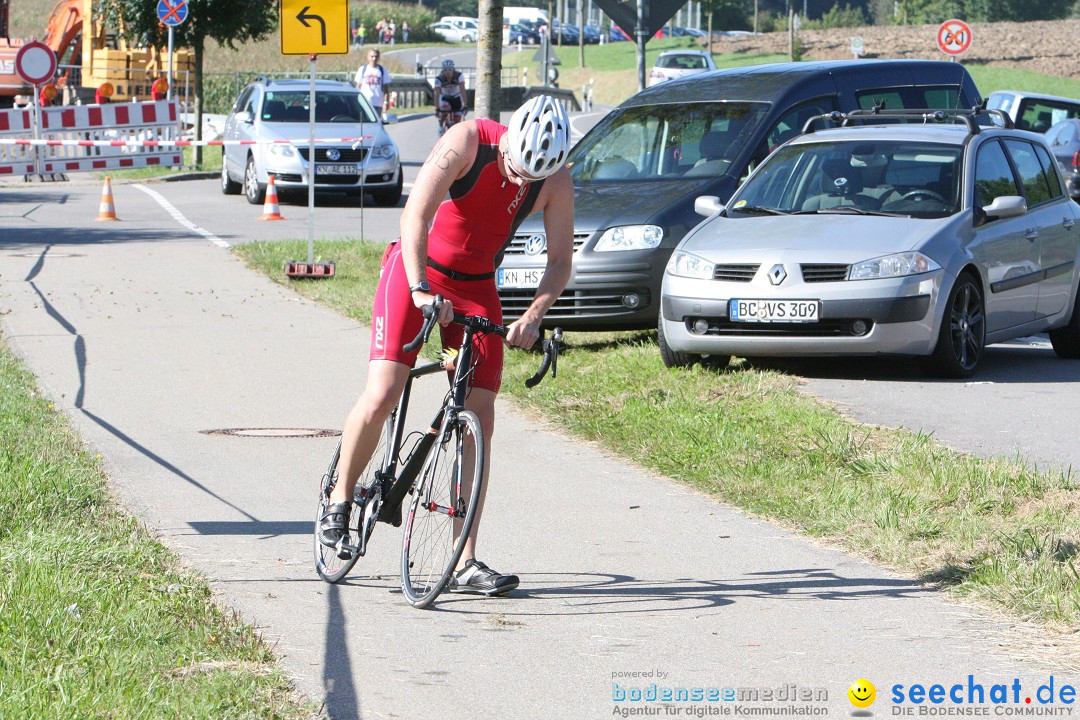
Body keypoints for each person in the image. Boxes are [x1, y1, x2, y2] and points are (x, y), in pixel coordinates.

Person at [319, 95, 575, 597]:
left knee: (480, 414)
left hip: (477, 286)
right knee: (384, 391)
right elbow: (414, 216)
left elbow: (560, 262)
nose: (523, 184)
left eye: (533, 180)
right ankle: (340, 500)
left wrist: (532, 316)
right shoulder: (467, 142)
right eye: (518, 171)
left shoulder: (556, 180)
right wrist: (419, 289)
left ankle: (464, 558)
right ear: (509, 141)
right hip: (418, 271)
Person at [354, 48, 391, 120]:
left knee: (376, 122)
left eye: (376, 56)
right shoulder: (362, 69)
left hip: (377, 102)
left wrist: (386, 102)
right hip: (365, 102)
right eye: (372, 56)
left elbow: (385, 88)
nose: (374, 59)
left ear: (379, 57)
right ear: (368, 57)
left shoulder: (382, 70)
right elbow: (358, 86)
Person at [434, 59, 466, 136]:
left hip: (456, 97)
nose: (448, 72)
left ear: (453, 69)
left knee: (457, 119)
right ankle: (441, 127)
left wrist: (465, 105)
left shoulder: (459, 76)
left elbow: (463, 91)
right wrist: (437, 108)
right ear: (443, 70)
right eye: (445, 70)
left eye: (450, 70)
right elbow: (436, 94)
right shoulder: (439, 79)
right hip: (445, 98)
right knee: (444, 111)